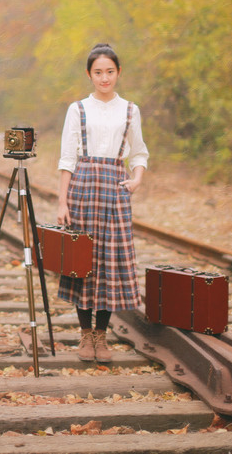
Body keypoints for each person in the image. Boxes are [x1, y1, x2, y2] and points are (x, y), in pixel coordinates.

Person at [56, 43, 149, 363]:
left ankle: (102, 335)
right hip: (83, 186)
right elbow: (67, 158)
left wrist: (136, 179)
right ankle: (85, 335)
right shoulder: (77, 109)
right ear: (89, 74)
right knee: (82, 262)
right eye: (98, 72)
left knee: (109, 263)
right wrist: (62, 201)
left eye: (110, 72)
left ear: (118, 72)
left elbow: (138, 152)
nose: (104, 78)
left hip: (114, 187)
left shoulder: (130, 109)